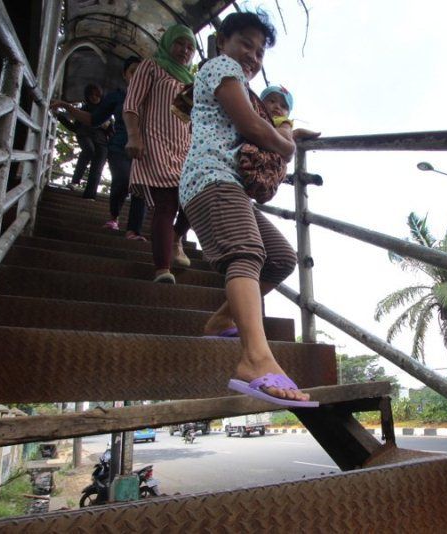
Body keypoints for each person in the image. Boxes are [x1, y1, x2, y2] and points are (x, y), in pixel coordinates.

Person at [179, 11, 317, 407]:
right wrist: (288, 145)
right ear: (222, 42)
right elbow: (253, 127)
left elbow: (264, 120)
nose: (253, 57)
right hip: (210, 178)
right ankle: (255, 360)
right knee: (245, 253)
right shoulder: (220, 67)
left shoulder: (242, 84)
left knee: (279, 258)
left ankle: (221, 321)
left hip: (229, 183)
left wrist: (291, 130)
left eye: (259, 52)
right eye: (246, 44)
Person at [124, 24, 196, 283]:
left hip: (186, 149)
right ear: (168, 43)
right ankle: (162, 270)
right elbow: (131, 104)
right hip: (155, 143)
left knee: (195, 200)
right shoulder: (151, 66)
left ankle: (176, 237)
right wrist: (134, 136)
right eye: (179, 44)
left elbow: (192, 119)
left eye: (190, 47)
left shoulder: (191, 80)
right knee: (166, 205)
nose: (184, 51)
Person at [52, 57, 147, 240]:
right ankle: (114, 216)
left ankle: (133, 231)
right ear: (125, 75)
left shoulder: (152, 98)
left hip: (145, 152)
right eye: (133, 72)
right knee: (122, 179)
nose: (138, 76)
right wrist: (67, 106)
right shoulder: (117, 97)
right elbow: (93, 119)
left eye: (142, 72)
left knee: (140, 186)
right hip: (119, 147)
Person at [54, 84, 109, 198]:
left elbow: (111, 130)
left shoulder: (106, 110)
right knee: (89, 150)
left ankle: (89, 196)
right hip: (85, 135)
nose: (94, 97)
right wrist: (59, 116)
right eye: (91, 95)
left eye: (97, 94)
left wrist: (107, 126)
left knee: (97, 168)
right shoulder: (83, 109)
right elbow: (74, 127)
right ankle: (75, 181)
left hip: (102, 142)